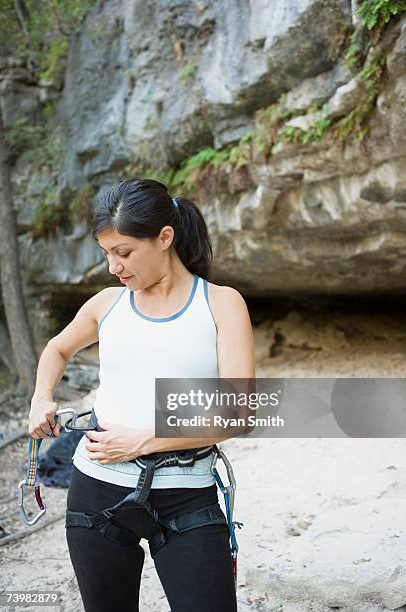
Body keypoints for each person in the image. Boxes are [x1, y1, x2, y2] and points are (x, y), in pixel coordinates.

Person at [28, 178, 255, 612]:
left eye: (124, 252)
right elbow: (57, 348)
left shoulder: (221, 304)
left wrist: (145, 438)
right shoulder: (107, 304)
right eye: (107, 254)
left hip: (187, 492)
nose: (114, 266)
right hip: (96, 490)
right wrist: (42, 397)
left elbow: (239, 413)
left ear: (164, 237)